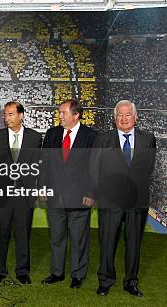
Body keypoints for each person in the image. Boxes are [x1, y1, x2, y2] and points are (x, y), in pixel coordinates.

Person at [91, 100, 156, 297]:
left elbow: (148, 169)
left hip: (137, 201)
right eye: (120, 114)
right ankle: (105, 280)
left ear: (135, 117)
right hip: (110, 201)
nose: (124, 118)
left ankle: (131, 282)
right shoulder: (103, 140)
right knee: (107, 242)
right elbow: (94, 169)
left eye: (128, 114)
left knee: (134, 243)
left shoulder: (149, 139)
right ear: (114, 118)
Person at [40, 99, 97, 289]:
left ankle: (78, 275)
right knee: (57, 237)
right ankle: (56, 273)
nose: (60, 116)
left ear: (76, 115)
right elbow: (44, 164)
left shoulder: (91, 136)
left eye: (63, 113)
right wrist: (42, 187)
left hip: (80, 197)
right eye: (59, 112)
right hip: (55, 196)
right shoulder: (52, 134)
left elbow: (95, 167)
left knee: (79, 238)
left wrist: (91, 192)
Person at [0, 101, 42, 284]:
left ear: (21, 115)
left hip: (24, 195)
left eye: (11, 114)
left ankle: (22, 272)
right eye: (5, 114)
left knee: (23, 234)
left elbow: (38, 166)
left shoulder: (35, 138)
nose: (7, 118)